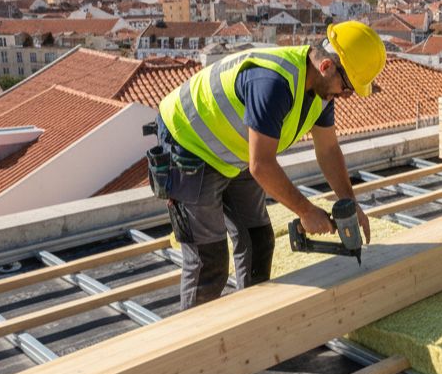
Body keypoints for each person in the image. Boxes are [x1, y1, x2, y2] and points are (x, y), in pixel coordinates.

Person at [151, 21, 385, 308]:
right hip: (188, 144)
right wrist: (306, 211)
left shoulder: (323, 91)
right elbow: (261, 166)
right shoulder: (274, 83)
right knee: (209, 261)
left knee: (258, 241)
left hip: (237, 151)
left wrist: (349, 202)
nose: (347, 95)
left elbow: (328, 149)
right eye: (347, 87)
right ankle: (194, 347)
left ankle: (252, 324)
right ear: (326, 66)